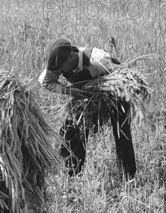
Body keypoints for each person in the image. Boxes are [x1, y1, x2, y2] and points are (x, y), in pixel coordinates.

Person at [38, 38, 136, 181]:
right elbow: (45, 81)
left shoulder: (98, 60)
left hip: (117, 94)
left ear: (71, 57)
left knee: (121, 132)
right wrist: (69, 90)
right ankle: (71, 174)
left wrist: (103, 93)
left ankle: (128, 177)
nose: (58, 72)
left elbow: (123, 79)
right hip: (85, 95)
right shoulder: (59, 62)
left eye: (60, 68)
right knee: (72, 128)